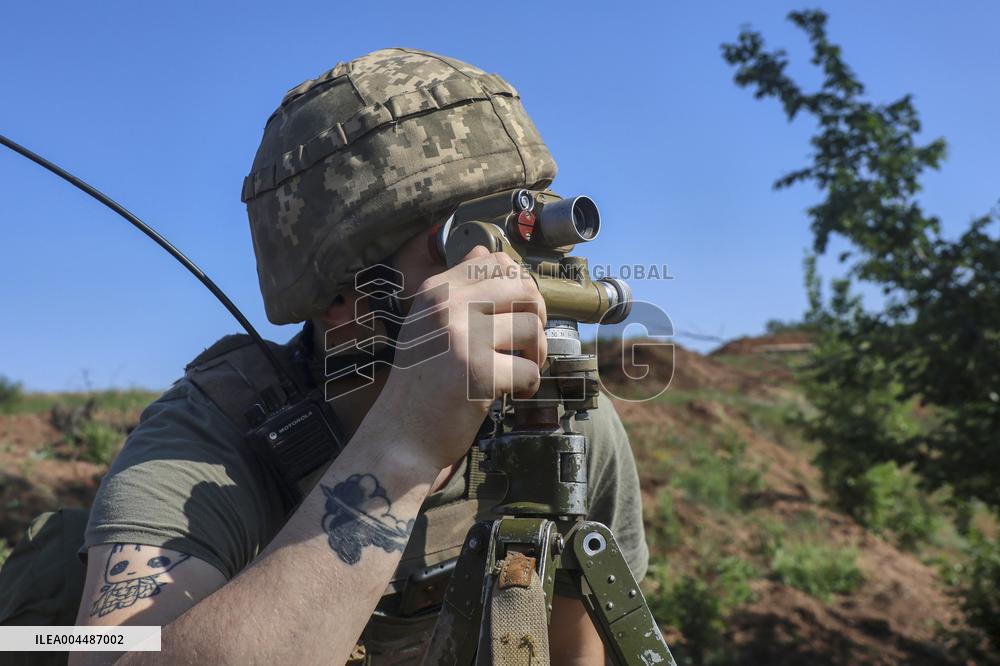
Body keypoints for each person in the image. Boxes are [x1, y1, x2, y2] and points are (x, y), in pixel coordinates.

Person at [69, 48, 647, 665]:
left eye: (526, 230)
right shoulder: (205, 447)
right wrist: (403, 449)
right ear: (343, 298)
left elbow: (570, 651)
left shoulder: (560, 425)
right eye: (468, 244)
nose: (511, 275)